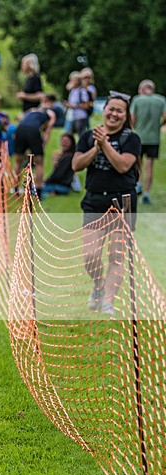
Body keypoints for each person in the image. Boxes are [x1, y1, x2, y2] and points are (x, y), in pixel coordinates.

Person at [73, 92, 141, 315]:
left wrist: (106, 144)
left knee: (116, 255)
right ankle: (99, 286)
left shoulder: (131, 139)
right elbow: (76, 165)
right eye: (111, 109)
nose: (114, 114)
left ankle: (108, 303)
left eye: (119, 111)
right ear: (104, 110)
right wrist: (96, 147)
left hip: (123, 201)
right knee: (90, 255)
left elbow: (123, 166)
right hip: (94, 201)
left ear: (125, 115)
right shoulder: (87, 136)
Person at [130, 79, 166, 205]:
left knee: (138, 163)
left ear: (143, 89)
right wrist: (160, 125)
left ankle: (138, 184)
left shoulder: (137, 99)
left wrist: (133, 128)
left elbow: (132, 118)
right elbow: (165, 115)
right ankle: (146, 193)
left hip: (139, 136)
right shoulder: (161, 100)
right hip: (154, 138)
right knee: (149, 165)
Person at [13, 94, 57, 193]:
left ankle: (15, 189)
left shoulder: (31, 110)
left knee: (18, 161)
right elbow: (48, 130)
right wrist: (43, 144)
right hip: (33, 130)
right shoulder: (50, 113)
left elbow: (20, 121)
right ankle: (38, 190)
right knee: (39, 162)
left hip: (20, 129)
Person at [65, 71, 90, 137]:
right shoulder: (73, 90)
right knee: (69, 135)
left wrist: (74, 106)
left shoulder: (82, 91)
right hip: (72, 117)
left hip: (80, 117)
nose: (75, 82)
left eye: (76, 80)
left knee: (81, 136)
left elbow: (86, 105)